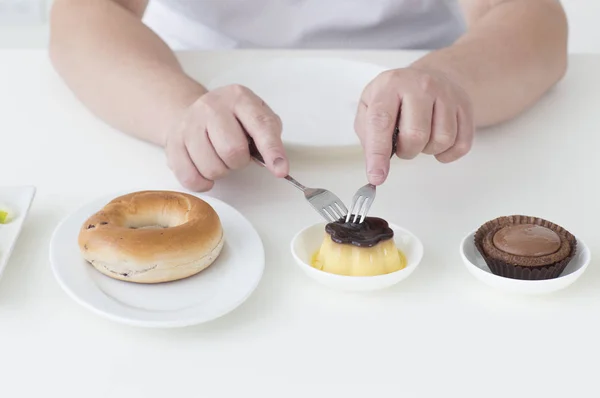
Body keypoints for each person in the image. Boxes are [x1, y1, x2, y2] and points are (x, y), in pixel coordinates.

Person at [48, 0, 568, 191]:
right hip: (181, 81)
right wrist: (180, 111)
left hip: (422, 98)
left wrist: (452, 78)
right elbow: (83, 15)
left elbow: (534, 18)